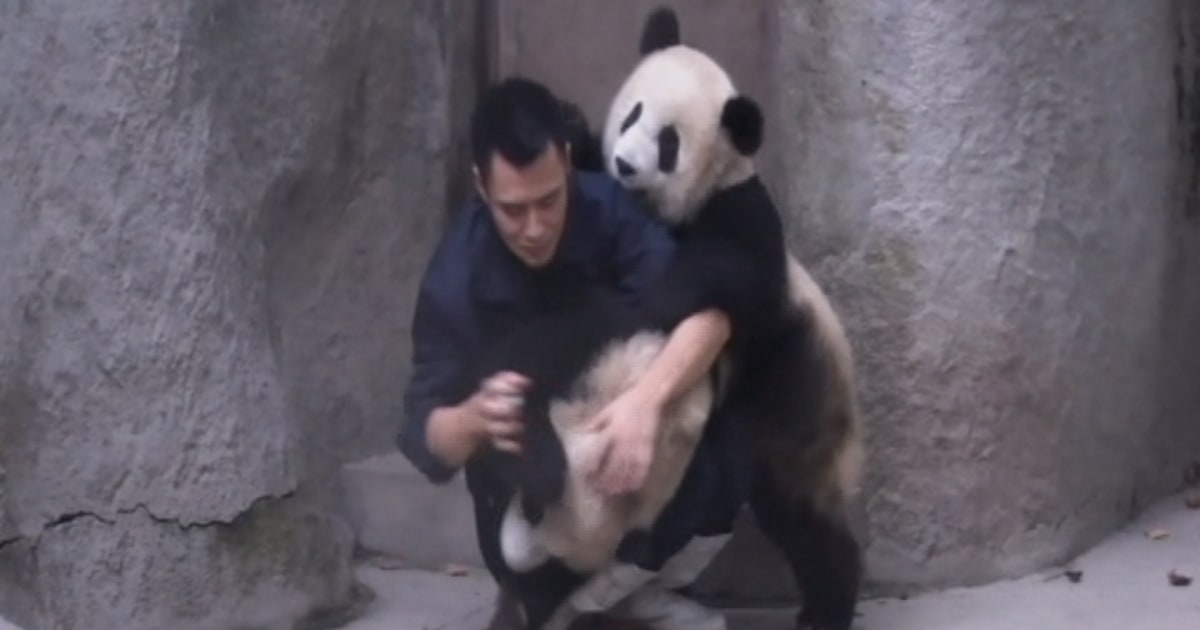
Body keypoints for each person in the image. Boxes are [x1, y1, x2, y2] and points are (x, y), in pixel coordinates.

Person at [397, 77, 753, 629]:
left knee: (729, 446)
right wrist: (471, 418)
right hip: (532, 483)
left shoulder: (609, 209)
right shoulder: (456, 275)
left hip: (625, 419)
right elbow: (425, 433)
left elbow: (712, 313)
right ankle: (560, 603)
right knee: (526, 541)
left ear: (565, 161)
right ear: (482, 186)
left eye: (549, 200)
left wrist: (643, 404)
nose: (535, 228)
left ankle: (623, 597)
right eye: (513, 210)